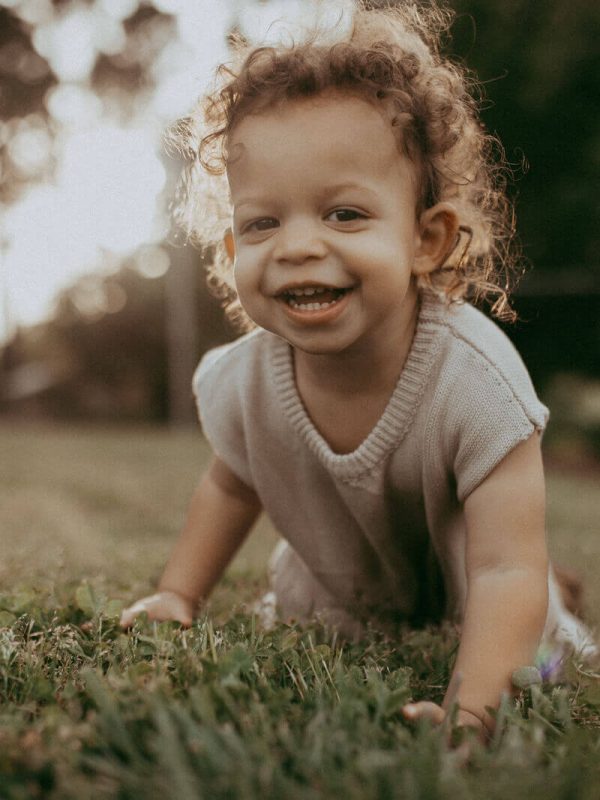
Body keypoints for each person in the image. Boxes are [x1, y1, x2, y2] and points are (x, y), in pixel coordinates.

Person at [121, 1, 595, 737]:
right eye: (263, 223)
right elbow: (229, 484)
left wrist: (473, 710)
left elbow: (504, 569)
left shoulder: (474, 382)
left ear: (426, 240)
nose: (298, 246)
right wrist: (179, 595)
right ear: (231, 248)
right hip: (341, 604)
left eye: (344, 215)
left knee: (534, 628)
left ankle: (557, 595)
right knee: (330, 621)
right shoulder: (246, 380)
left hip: (483, 593)